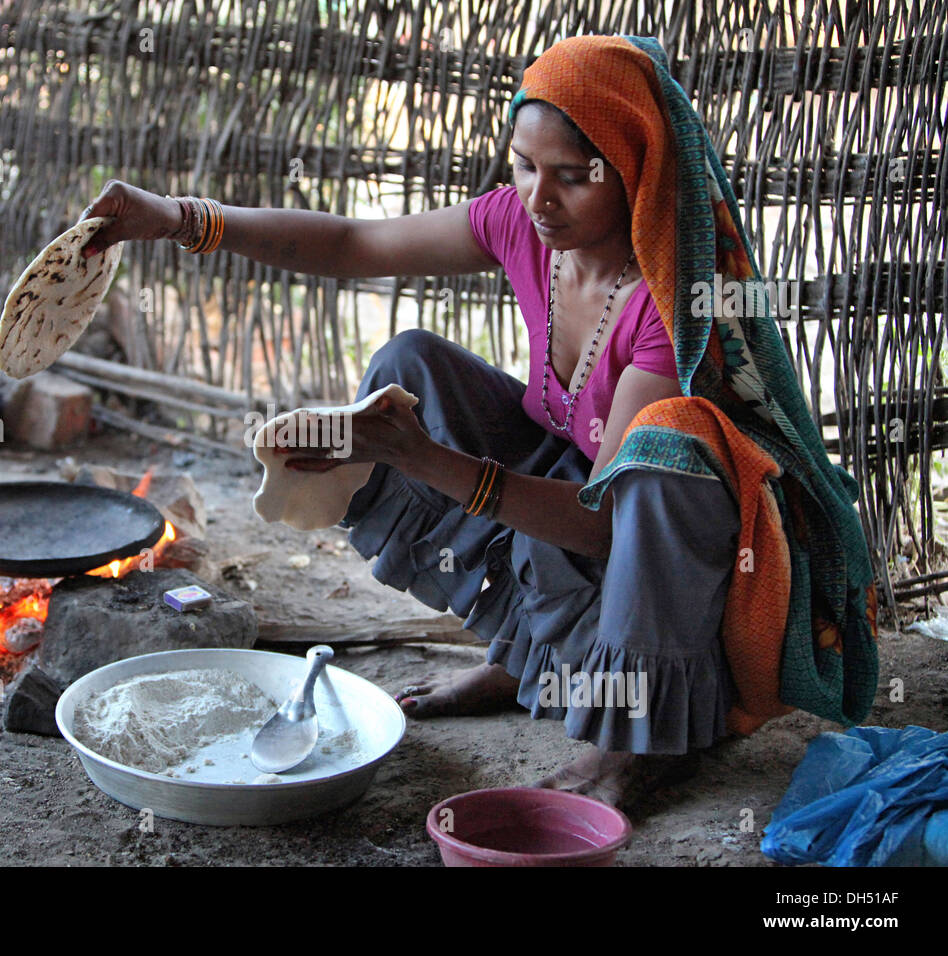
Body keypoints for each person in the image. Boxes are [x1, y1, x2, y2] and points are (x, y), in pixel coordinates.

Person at [77, 35, 880, 807]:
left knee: (669, 451)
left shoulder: (671, 307)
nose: (540, 197)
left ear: (636, 171)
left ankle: (640, 742)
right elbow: (357, 242)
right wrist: (181, 217)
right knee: (409, 362)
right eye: (525, 167)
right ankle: (526, 657)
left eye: (574, 175)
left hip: (674, 556)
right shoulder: (525, 228)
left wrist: (422, 457)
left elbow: (604, 522)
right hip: (569, 490)